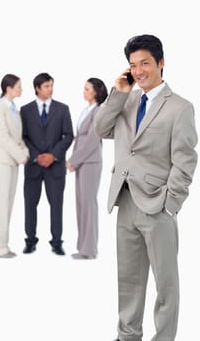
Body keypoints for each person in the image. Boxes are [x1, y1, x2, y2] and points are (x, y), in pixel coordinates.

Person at [95, 34, 198, 341]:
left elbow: (186, 159)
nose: (139, 71)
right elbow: (101, 129)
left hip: (158, 204)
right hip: (124, 199)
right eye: (132, 65)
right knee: (129, 279)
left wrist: (172, 202)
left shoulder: (180, 107)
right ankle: (128, 335)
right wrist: (117, 92)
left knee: (165, 283)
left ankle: (164, 337)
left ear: (161, 64)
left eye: (145, 63)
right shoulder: (126, 99)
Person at [20, 73, 74, 255]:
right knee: (29, 205)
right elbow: (23, 137)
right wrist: (37, 156)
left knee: (57, 205)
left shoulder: (63, 109)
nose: (51, 89)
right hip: (33, 167)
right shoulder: (25, 110)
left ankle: (57, 242)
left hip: (55, 167)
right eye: (46, 86)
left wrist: (52, 155)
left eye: (51, 85)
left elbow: (69, 135)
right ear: (37, 88)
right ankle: (30, 240)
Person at [0, 74, 29, 258]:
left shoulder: (13, 108)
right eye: (18, 86)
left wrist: (24, 154)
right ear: (8, 88)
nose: (21, 89)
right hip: (4, 161)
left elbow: (18, 138)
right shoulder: (0, 108)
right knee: (2, 204)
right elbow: (4, 139)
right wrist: (22, 156)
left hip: (14, 162)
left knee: (9, 204)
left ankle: (2, 245)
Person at [66, 78, 108, 259]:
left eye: (87, 89)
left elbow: (92, 140)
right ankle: (83, 246)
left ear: (96, 92)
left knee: (88, 205)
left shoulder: (99, 111)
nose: (83, 91)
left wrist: (74, 160)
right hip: (83, 162)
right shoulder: (87, 110)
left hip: (90, 162)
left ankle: (89, 250)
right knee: (81, 204)